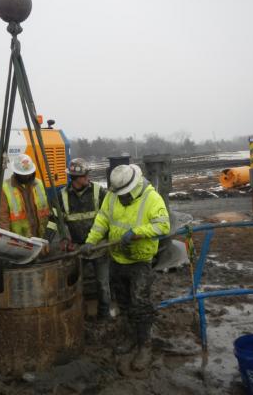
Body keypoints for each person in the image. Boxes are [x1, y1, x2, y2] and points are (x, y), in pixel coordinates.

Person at [81, 164, 170, 371]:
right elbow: (102, 220)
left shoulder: (151, 198)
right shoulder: (112, 197)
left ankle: (144, 345)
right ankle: (131, 338)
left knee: (140, 304)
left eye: (125, 194)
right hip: (117, 259)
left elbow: (163, 225)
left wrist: (137, 232)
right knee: (123, 302)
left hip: (140, 261)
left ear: (134, 186)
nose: (122, 197)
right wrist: (91, 241)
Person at [46, 158, 110, 320]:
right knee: (76, 285)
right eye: (84, 176)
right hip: (77, 250)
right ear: (75, 178)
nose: (88, 178)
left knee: (103, 284)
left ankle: (104, 314)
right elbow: (54, 222)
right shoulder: (62, 197)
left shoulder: (99, 192)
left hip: (99, 247)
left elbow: (111, 216)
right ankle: (79, 316)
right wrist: (49, 241)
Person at [0, 153, 50, 238]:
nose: (27, 176)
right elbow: (2, 218)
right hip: (20, 240)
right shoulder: (5, 188)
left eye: (28, 173)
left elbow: (48, 210)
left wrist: (47, 237)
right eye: (23, 174)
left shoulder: (39, 184)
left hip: (41, 236)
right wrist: (6, 239)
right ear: (16, 172)